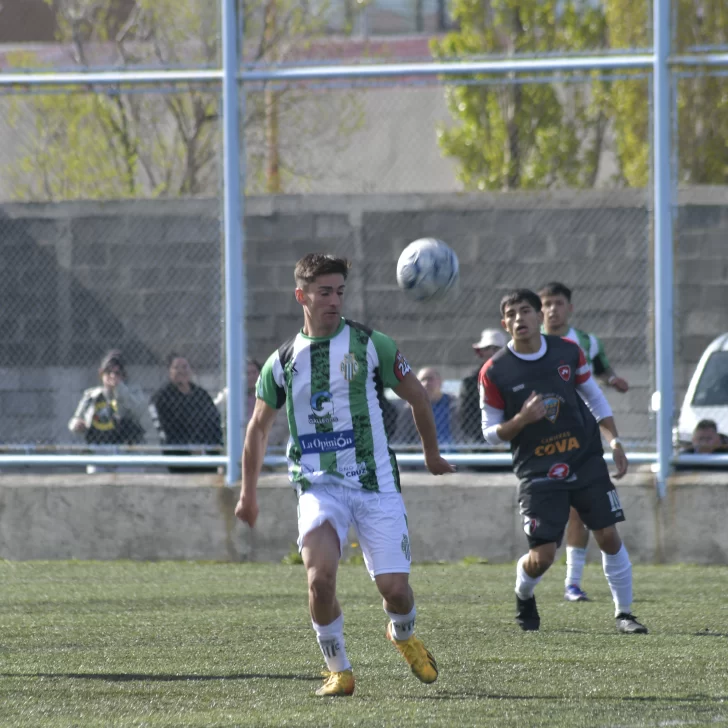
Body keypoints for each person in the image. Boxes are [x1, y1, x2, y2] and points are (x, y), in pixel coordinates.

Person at [235, 253, 455, 697]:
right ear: (302, 296)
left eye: (339, 291)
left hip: (375, 482)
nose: (334, 300)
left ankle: (403, 633)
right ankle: (339, 669)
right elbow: (259, 427)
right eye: (324, 292)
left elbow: (417, 397)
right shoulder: (282, 362)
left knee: (395, 590)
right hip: (318, 485)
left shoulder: (373, 344)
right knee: (319, 579)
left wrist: (431, 454)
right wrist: (248, 493)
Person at [479, 288, 648, 634]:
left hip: (584, 458)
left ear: (538, 316)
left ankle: (624, 614)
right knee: (542, 558)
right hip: (538, 470)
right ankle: (523, 593)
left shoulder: (568, 352)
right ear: (504, 323)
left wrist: (614, 440)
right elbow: (489, 433)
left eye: (525, 311)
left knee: (608, 535)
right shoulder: (494, 372)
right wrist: (522, 420)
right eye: (511, 314)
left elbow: (595, 398)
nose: (518, 319)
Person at [540, 281, 629, 603]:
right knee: (551, 516)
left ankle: (572, 583)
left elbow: (600, 371)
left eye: (558, 303)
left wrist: (613, 379)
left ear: (570, 308)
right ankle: (532, 582)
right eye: (547, 304)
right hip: (543, 438)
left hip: (582, 435)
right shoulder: (530, 343)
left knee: (582, 510)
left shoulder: (587, 343)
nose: (552, 309)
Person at [149, 354, 223, 474]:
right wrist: (189, 449)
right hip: (178, 457)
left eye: (185, 367)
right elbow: (165, 430)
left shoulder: (201, 395)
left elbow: (214, 422)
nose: (181, 371)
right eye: (176, 367)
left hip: (206, 456)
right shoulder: (161, 398)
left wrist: (209, 449)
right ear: (169, 371)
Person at [68, 349, 146, 447]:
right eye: (108, 372)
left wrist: (119, 388)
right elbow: (75, 418)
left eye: (117, 373)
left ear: (123, 375)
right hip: (96, 447)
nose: (112, 376)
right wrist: (76, 425)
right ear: (101, 373)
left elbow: (138, 411)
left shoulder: (132, 393)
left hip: (123, 448)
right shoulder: (91, 395)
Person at [214, 358, 290, 450]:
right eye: (247, 373)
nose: (251, 377)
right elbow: (217, 414)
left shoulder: (274, 393)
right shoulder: (230, 395)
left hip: (269, 448)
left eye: (254, 372)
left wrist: (260, 439)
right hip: (239, 447)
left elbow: (283, 425)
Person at [458, 328, 507, 444]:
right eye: (487, 348)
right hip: (480, 443)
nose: (491, 352)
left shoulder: (516, 377)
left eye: (496, 348)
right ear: (481, 352)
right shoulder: (470, 382)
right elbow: (465, 418)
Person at [397, 367, 458, 449]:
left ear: (440, 382)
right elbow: (402, 437)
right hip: (422, 453)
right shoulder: (410, 408)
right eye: (422, 380)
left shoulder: (454, 404)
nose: (426, 383)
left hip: (455, 450)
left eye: (430, 379)